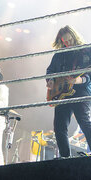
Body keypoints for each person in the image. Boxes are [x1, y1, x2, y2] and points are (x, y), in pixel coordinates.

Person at [46, 25, 91, 157]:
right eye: (65, 41)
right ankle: (65, 158)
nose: (68, 43)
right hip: (61, 94)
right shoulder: (59, 55)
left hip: (81, 90)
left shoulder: (86, 50)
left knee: (84, 121)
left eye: (70, 40)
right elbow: (50, 71)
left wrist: (80, 80)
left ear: (74, 36)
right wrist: (50, 80)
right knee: (59, 127)